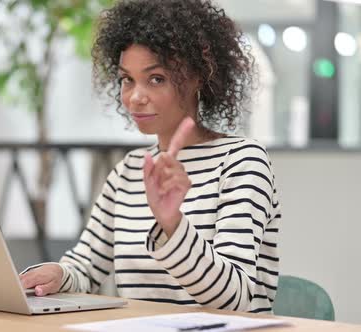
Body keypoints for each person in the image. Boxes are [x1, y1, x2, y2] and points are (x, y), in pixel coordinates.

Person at [20, 0, 281, 314]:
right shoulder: (129, 170)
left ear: (197, 77)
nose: (135, 97)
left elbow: (233, 297)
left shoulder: (241, 161)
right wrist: (57, 274)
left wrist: (172, 224)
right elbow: (87, 267)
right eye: (127, 79)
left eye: (156, 78)